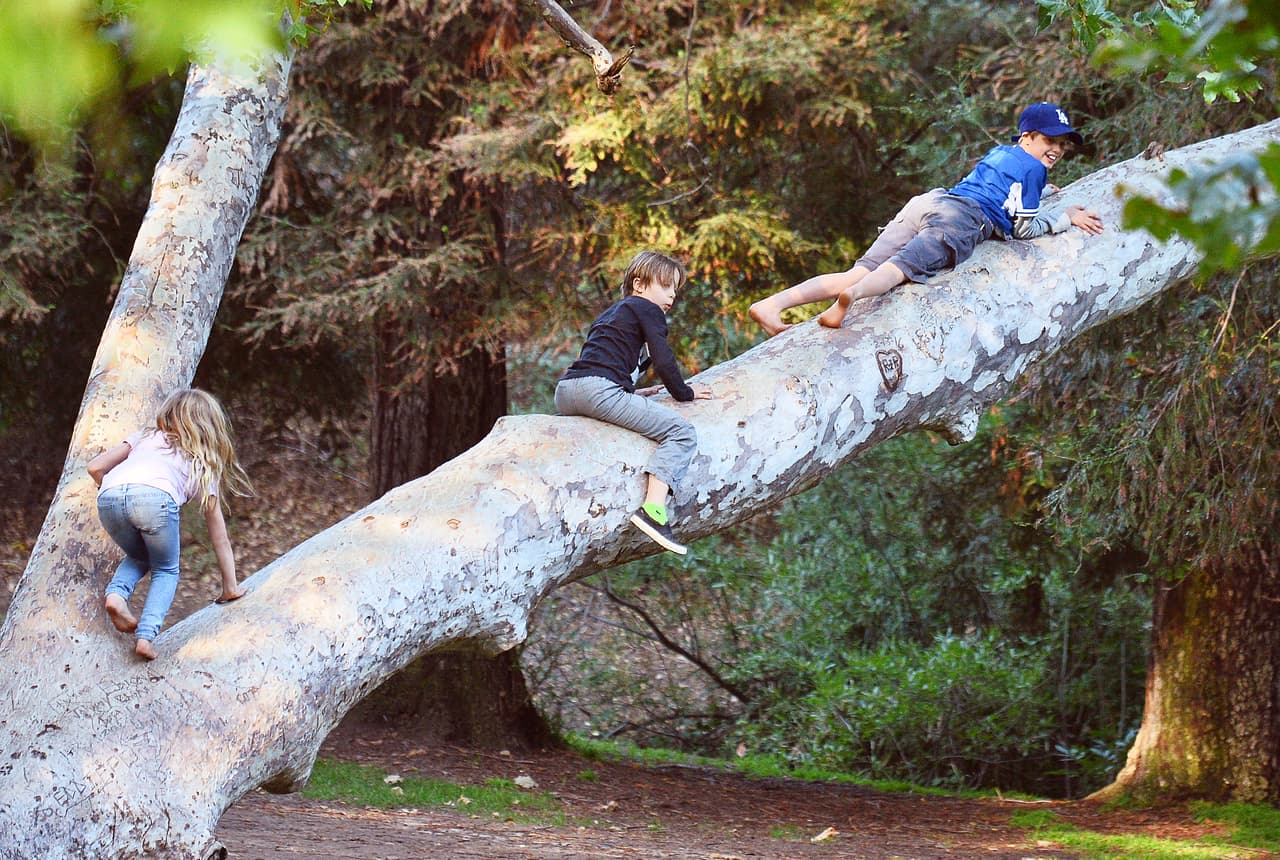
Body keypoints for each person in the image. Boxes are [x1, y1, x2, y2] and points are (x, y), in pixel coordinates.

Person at [749, 102, 1106, 335]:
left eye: (1063, 144)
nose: (1057, 149)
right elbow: (1022, 227)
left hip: (930, 202)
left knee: (858, 268)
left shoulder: (1003, 153)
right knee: (899, 268)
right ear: (1028, 137)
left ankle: (772, 304)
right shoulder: (1034, 170)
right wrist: (1064, 218)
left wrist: (1042, 193)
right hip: (960, 220)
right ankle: (851, 298)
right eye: (1050, 140)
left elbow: (1000, 191)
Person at [556, 250, 713, 555]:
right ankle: (653, 511)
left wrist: (632, 392)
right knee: (681, 433)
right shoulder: (646, 308)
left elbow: (604, 360)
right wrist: (685, 393)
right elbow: (665, 360)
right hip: (598, 391)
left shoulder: (613, 313)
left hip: (567, 391)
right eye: (666, 286)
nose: (671, 296)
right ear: (639, 284)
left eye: (675, 290)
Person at [87, 388, 252, 660]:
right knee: (166, 569)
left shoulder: (145, 437)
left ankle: (116, 597)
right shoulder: (200, 460)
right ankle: (146, 637)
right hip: (156, 500)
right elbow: (218, 534)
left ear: (167, 415)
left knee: (140, 555)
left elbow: (95, 467)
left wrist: (116, 492)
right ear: (209, 426)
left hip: (109, 497)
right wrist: (230, 587)